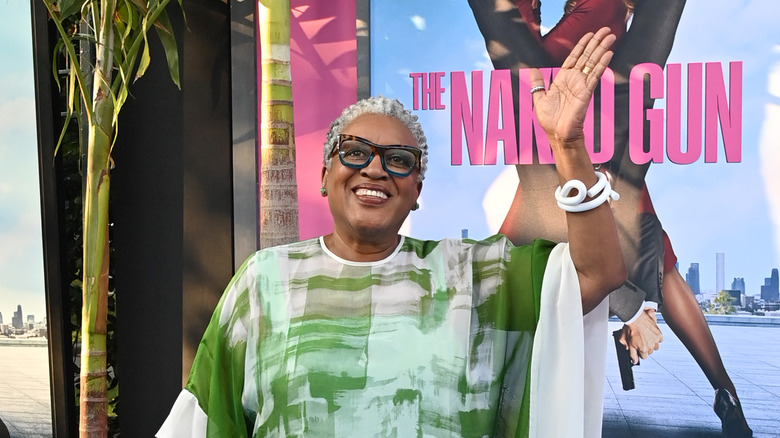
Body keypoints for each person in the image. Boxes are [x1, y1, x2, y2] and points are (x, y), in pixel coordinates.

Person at [157, 29, 625, 437]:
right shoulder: (265, 280)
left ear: (416, 190)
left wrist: (568, 145)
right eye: (356, 152)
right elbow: (206, 418)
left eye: (399, 160)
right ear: (325, 175)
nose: (376, 169)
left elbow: (598, 272)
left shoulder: (470, 278)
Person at [468, 0, 753, 436]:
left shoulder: (592, 18)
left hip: (575, 114)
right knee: (655, 254)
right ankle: (724, 391)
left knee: (539, 242)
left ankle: (496, 392)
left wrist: (630, 309)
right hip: (584, 132)